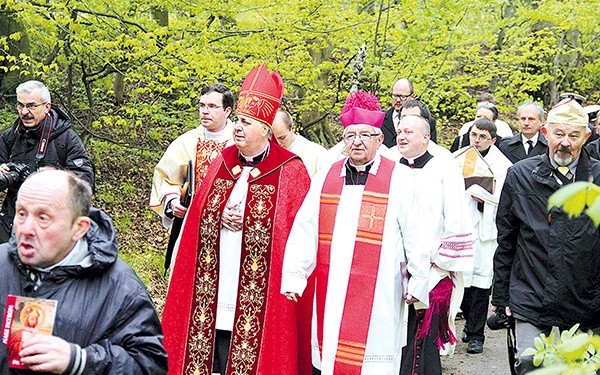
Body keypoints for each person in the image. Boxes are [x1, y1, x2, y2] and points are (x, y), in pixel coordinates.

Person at [161, 64, 313, 375]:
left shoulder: (291, 169)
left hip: (262, 290)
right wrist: (216, 215)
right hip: (216, 281)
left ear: (265, 130)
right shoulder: (222, 161)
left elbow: (299, 234)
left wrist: (252, 218)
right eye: (238, 121)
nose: (237, 128)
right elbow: (197, 216)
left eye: (246, 122)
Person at [281, 90, 431, 374]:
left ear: (380, 139)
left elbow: (417, 233)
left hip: (381, 288)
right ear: (343, 141)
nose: (357, 142)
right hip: (332, 285)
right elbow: (306, 226)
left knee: (375, 357)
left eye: (365, 135)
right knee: (333, 353)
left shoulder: (399, 177)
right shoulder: (327, 175)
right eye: (350, 136)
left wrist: (418, 280)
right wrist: (295, 274)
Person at [0, 169, 167, 374]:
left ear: (79, 228)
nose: (25, 229)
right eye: (21, 213)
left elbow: (149, 365)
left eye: (43, 218)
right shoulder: (2, 263)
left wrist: (79, 361)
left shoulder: (121, 289)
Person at [492, 99, 600, 374]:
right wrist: (502, 297)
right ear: (545, 133)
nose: (565, 143)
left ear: (586, 137)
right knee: (529, 362)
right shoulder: (519, 176)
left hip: (584, 296)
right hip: (531, 291)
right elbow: (506, 240)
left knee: (581, 369)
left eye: (574, 136)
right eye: (559, 134)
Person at [396, 114, 473, 375]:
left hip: (432, 269)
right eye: (399, 132)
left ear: (426, 137)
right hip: (396, 267)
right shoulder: (391, 168)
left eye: (409, 132)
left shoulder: (444, 169)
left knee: (422, 338)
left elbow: (457, 216)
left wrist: (440, 261)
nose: (402, 137)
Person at [150, 83, 234, 267]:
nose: (204, 111)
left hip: (229, 229)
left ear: (227, 111)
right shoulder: (187, 141)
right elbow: (167, 176)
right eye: (202, 105)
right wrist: (173, 201)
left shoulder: (239, 141)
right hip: (193, 225)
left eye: (212, 107)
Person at [0, 80, 95, 243]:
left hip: (50, 223)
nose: (24, 112)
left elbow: (85, 182)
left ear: (47, 107)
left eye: (31, 106)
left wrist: (50, 181)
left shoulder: (66, 139)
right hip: (12, 219)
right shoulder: (10, 136)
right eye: (20, 105)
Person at [453, 118, 512, 354]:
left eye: (482, 137)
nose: (476, 140)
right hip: (463, 226)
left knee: (480, 284)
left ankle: (477, 334)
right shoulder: (459, 158)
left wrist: (485, 198)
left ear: (493, 140)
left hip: (486, 229)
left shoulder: (502, 164)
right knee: (463, 283)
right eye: (474, 135)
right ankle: (468, 321)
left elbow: (505, 198)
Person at [381, 79, 438, 147]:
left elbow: (431, 148)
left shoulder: (427, 121)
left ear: (412, 96)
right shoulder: (381, 118)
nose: (398, 100)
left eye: (403, 97)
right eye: (395, 96)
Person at [271, 108, 328, 176]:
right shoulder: (266, 154)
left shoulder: (316, 153)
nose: (278, 143)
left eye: (282, 138)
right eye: (273, 139)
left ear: (292, 128)